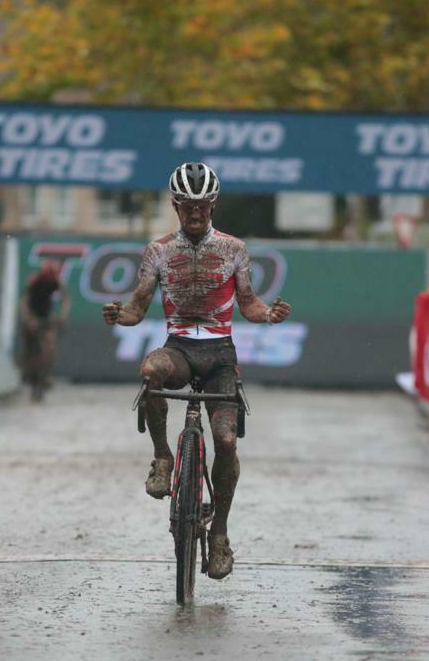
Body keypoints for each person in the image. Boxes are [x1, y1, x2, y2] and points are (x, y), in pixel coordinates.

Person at [102, 162, 291, 580]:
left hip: (220, 354)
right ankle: (162, 458)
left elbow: (249, 303)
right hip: (180, 349)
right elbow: (137, 307)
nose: (195, 214)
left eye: (203, 206)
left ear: (213, 204)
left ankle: (220, 535)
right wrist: (119, 315)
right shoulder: (158, 251)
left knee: (225, 441)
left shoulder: (234, 249)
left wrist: (268, 315)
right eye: (187, 206)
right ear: (174, 204)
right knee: (151, 370)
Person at [19, 259, 71, 402]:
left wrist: (62, 316)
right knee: (29, 348)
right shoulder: (36, 280)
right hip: (32, 316)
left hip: (46, 317)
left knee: (50, 345)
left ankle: (46, 374)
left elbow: (65, 298)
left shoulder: (55, 281)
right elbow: (24, 301)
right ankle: (28, 372)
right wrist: (28, 319)